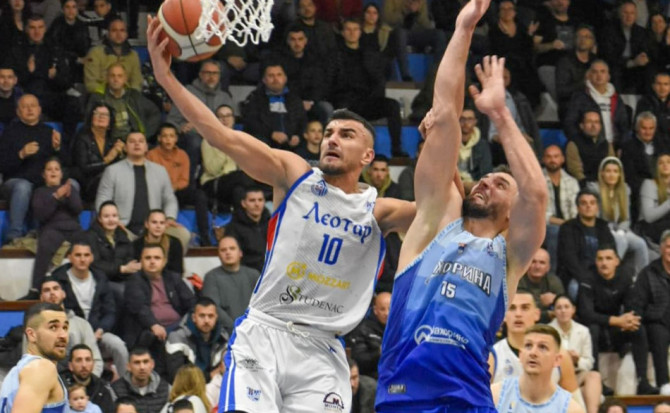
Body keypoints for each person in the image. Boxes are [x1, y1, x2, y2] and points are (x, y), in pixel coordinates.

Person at [147, 10, 417, 411]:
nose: (332, 139)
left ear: (368, 155)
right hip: (266, 333)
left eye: (346, 134)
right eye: (328, 133)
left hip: (322, 350)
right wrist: (166, 78)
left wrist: (441, 135)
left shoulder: (379, 211)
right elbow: (221, 136)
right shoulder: (295, 175)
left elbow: (444, 210)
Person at [376, 0, 548, 410]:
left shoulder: (509, 257)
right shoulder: (435, 222)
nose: (486, 181)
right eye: (485, 178)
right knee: (443, 123)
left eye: (500, 184)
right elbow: (445, 114)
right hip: (404, 395)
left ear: (512, 212)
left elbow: (536, 194)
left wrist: (500, 115)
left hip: (467, 398)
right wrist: (463, 29)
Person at [578, 246, 658, 394]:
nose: (604, 263)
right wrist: (616, 320)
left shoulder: (625, 277)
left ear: (617, 261)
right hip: (595, 329)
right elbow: (585, 314)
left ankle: (643, 382)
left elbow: (633, 304)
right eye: (600, 259)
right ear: (595, 262)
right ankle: (597, 381)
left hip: (614, 329)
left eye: (608, 258)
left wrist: (629, 319)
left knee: (637, 328)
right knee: (592, 329)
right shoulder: (587, 279)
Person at [490, 291, 586, 409]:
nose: (518, 314)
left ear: (537, 314)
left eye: (525, 308)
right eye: (512, 308)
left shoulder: (560, 355)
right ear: (503, 315)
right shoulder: (493, 355)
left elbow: (576, 403)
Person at [95, 131, 189, 247]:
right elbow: (103, 198)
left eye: (141, 141)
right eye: (132, 142)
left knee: (182, 235)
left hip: (154, 227)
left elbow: (170, 198)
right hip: (122, 227)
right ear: (125, 148)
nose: (137, 144)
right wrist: (112, 220)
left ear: (146, 147)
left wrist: (169, 218)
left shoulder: (160, 171)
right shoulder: (112, 171)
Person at [52, 241, 129, 377]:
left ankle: (125, 383)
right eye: (78, 255)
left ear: (92, 257)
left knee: (119, 346)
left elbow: (110, 311)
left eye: (86, 255)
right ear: (69, 257)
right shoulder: (59, 278)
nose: (82, 259)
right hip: (72, 330)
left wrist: (100, 330)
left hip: (98, 331)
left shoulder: (100, 277)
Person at [0, 94, 63, 243]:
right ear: (18, 112)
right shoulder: (9, 132)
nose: (29, 109)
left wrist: (57, 148)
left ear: (39, 110)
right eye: (25, 106)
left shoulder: (49, 132)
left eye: (33, 106)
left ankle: (45, 235)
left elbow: (64, 164)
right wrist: (21, 154)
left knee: (59, 186)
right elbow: (2, 165)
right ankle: (14, 236)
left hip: (40, 182)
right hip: (14, 183)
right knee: (23, 186)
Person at [491, 324, 585, 413]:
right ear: (521, 355)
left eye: (542, 347)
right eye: (528, 346)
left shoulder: (571, 409)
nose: (533, 353)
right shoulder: (495, 395)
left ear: (557, 360)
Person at [122, 244, 195, 351]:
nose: (152, 261)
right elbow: (139, 308)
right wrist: (154, 325)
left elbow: (191, 302)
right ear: (141, 261)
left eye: (157, 258)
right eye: (148, 258)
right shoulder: (134, 281)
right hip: (149, 330)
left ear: (164, 261)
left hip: (178, 326)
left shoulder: (173, 278)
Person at [147, 123, 211, 245]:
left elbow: (184, 180)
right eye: (165, 136)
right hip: (159, 194)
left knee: (200, 195)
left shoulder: (182, 155)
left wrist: (173, 187)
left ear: (176, 139)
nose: (168, 140)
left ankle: (205, 237)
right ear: (159, 138)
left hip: (177, 191)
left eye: (171, 136)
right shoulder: (151, 155)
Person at [0, 302, 69, 412]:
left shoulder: (16, 371)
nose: (63, 335)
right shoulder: (41, 368)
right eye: (53, 327)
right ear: (32, 334)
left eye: (65, 327)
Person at [30, 158, 84, 295]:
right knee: (45, 244)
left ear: (61, 174)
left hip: (73, 228)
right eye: (49, 169)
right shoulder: (40, 192)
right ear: (44, 175)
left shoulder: (70, 189)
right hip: (52, 229)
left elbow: (78, 209)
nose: (53, 172)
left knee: (88, 243)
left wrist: (69, 195)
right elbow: (41, 215)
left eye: (56, 169)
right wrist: (56, 197)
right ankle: (35, 289)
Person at [587, 157, 649, 274]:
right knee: (621, 241)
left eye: (615, 171)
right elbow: (595, 217)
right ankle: (612, 274)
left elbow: (626, 218)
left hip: (621, 229)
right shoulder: (594, 189)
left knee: (640, 243)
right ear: (602, 173)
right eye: (608, 171)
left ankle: (641, 278)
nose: (612, 175)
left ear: (620, 174)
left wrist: (621, 230)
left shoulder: (625, 189)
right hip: (601, 230)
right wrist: (611, 231)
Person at [39, 279, 105, 377]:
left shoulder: (82, 324)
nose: (52, 293)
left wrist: (87, 383)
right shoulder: (35, 326)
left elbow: (96, 361)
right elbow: (29, 362)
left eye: (55, 288)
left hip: (81, 382)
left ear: (63, 294)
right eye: (47, 290)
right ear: (41, 298)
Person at [557, 189, 616, 299]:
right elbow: (570, 260)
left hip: (601, 273)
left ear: (597, 207)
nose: (588, 206)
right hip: (577, 275)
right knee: (576, 288)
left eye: (592, 203)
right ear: (578, 207)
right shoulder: (568, 228)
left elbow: (612, 252)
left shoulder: (603, 227)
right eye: (584, 203)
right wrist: (588, 279)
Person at [633, 230, 670, 395]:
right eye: (668, 247)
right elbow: (638, 302)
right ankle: (664, 385)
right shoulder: (648, 272)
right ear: (661, 248)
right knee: (658, 335)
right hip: (657, 321)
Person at [550, 295, 602, 410]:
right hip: (556, 376)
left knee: (594, 376)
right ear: (554, 311)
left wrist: (577, 360)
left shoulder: (583, 331)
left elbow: (589, 362)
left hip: (577, 374)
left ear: (573, 309)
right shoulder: (548, 332)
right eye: (559, 307)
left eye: (566, 307)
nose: (563, 311)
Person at [86, 63, 161, 142]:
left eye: (120, 76)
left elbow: (155, 113)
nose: (116, 79)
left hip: (133, 142)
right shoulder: (98, 97)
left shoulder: (134, 96)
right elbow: (89, 122)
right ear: (107, 78)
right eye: (112, 76)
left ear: (125, 79)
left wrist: (143, 136)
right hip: (107, 142)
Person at [563, 60, 630, 147]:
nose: (599, 75)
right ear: (589, 75)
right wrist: (581, 144)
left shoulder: (616, 98)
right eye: (595, 72)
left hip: (614, 146)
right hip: (589, 147)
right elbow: (570, 124)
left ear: (608, 76)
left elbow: (624, 125)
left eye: (602, 71)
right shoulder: (580, 97)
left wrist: (622, 146)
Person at [201, 236, 260, 335]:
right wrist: (236, 329)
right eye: (223, 250)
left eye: (232, 248)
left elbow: (262, 305)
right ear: (218, 255)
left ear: (240, 253)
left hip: (255, 331)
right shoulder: (211, 277)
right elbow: (213, 308)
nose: (228, 252)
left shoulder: (254, 275)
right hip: (226, 334)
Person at [200, 104, 253, 211]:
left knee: (239, 191)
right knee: (242, 178)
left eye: (228, 115)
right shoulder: (208, 140)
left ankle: (241, 220)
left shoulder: (240, 139)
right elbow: (212, 170)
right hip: (214, 182)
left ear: (233, 119)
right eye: (221, 116)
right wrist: (223, 146)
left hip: (235, 182)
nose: (225, 119)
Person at [165, 297, 228, 382]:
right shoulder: (177, 337)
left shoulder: (223, 338)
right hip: (184, 388)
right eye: (202, 316)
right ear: (194, 317)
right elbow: (176, 377)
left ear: (216, 317)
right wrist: (209, 376)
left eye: (210, 316)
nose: (206, 320)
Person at [71, 103, 124, 201]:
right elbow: (84, 168)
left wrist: (121, 154)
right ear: (91, 118)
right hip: (87, 183)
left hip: (108, 183)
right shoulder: (82, 138)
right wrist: (107, 160)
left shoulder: (112, 141)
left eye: (105, 114)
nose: (101, 117)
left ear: (110, 121)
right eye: (97, 113)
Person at [543, 144, 580, 271]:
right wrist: (564, 224)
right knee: (555, 231)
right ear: (543, 159)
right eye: (549, 157)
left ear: (562, 159)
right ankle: (552, 273)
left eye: (556, 156)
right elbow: (540, 214)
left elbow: (576, 210)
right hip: (544, 227)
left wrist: (570, 224)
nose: (552, 160)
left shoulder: (572, 182)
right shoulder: (537, 181)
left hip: (570, 225)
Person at [84, 17, 141, 93]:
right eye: (114, 30)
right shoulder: (95, 53)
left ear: (126, 34)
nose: (118, 34)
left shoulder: (133, 55)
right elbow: (91, 83)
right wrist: (111, 94)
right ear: (108, 33)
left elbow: (136, 82)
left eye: (122, 30)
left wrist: (126, 95)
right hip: (101, 96)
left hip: (127, 97)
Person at [224, 187, 270, 272]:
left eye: (260, 200)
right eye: (252, 200)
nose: (257, 204)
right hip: (247, 273)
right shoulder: (233, 227)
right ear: (243, 203)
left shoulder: (273, 224)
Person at [111, 347, 170, 413]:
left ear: (152, 364)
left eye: (145, 362)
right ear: (128, 366)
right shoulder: (114, 390)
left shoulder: (166, 389)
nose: (142, 367)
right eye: (137, 363)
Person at [565, 111, 616, 186]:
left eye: (596, 122)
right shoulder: (573, 143)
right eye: (589, 122)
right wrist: (587, 185)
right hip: (582, 185)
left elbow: (612, 164)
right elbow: (575, 170)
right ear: (582, 125)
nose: (593, 125)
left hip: (605, 184)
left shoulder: (606, 144)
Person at [346, 292, 390, 379]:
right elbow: (359, 360)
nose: (387, 313)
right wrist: (379, 352)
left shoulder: (402, 328)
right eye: (382, 309)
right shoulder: (363, 329)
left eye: (390, 308)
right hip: (372, 376)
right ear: (375, 310)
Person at [60, 344, 116, 413]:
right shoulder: (60, 385)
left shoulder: (102, 388)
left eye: (88, 360)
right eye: (78, 360)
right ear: (70, 366)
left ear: (93, 364)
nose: (84, 365)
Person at [517, 248, 566, 322]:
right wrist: (543, 305)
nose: (537, 266)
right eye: (533, 262)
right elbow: (520, 308)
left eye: (542, 263)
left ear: (548, 267)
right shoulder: (518, 281)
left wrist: (556, 300)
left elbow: (563, 305)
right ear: (526, 264)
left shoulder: (554, 281)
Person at [132, 209, 184, 275]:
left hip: (168, 280)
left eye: (162, 223)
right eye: (154, 222)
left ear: (165, 225)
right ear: (146, 224)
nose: (158, 226)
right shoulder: (136, 245)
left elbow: (177, 271)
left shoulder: (175, 243)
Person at [639, 154, 670, 249]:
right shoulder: (649, 184)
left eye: (668, 162)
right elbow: (649, 217)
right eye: (661, 163)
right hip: (651, 227)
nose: (665, 165)